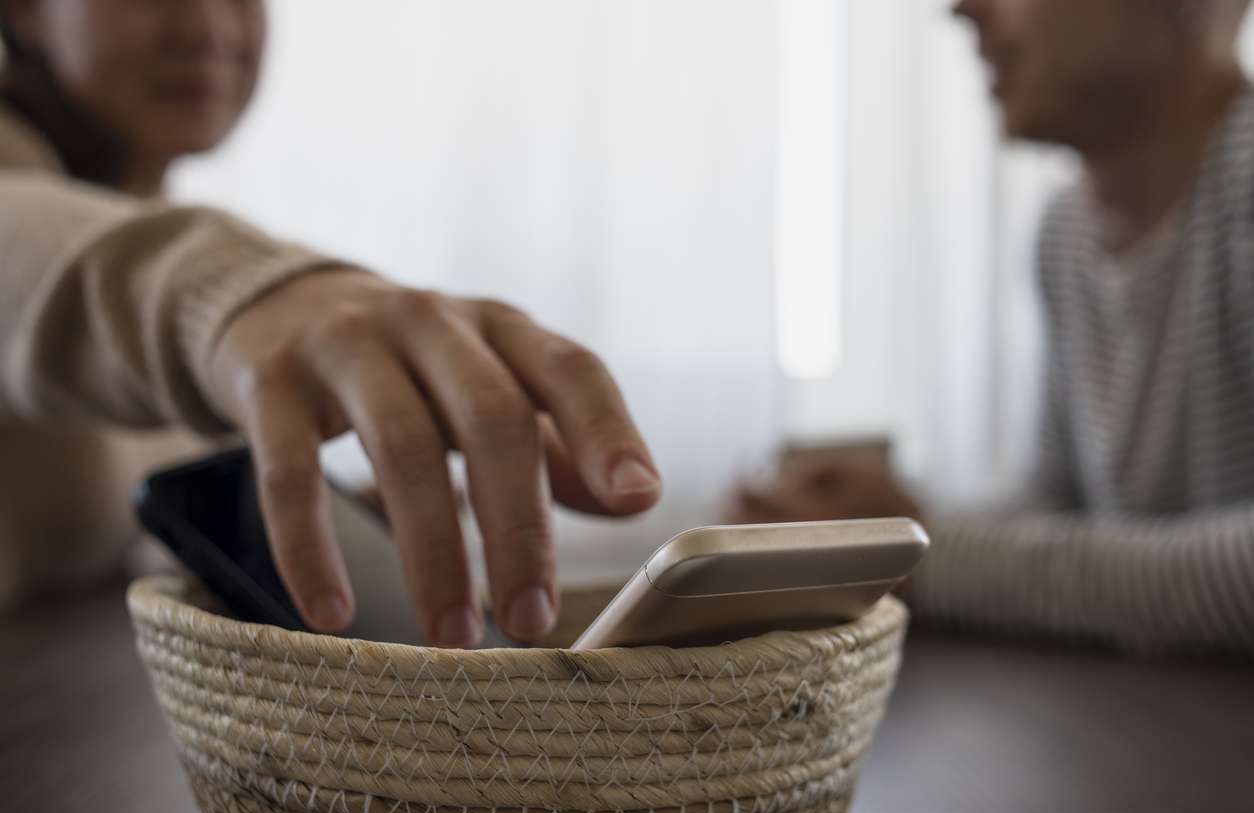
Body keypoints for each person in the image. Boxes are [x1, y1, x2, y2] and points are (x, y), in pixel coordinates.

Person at [0, 0, 663, 647]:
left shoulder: (150, 221)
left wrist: (325, 535)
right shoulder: (111, 245)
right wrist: (233, 296)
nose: (207, 25)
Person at [729, 0, 1254, 657]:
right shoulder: (1066, 233)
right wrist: (865, 532)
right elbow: (1056, 506)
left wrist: (922, 554)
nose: (962, 9)